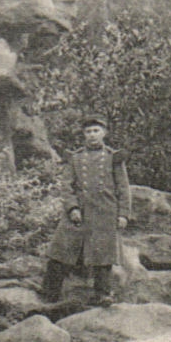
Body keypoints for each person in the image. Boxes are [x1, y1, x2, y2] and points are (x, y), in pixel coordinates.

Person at [43, 114, 131, 305]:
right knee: (61, 249)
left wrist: (123, 214)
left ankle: (103, 294)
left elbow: (123, 188)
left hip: (105, 212)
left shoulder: (113, 157)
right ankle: (50, 294)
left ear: (104, 133)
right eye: (88, 131)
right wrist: (72, 207)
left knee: (103, 255)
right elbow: (66, 186)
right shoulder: (75, 158)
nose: (92, 135)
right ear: (83, 134)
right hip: (78, 213)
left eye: (96, 131)